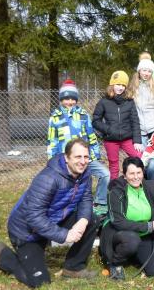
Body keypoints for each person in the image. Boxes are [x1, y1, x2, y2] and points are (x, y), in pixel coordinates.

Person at [0, 139, 99, 288]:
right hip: (27, 233)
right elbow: (33, 216)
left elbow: (86, 198)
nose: (83, 161)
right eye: (78, 157)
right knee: (40, 282)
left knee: (92, 219)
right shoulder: (48, 178)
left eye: (86, 157)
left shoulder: (85, 173)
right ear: (67, 158)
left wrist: (83, 220)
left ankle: (73, 267)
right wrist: (64, 235)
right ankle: (2, 255)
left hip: (54, 219)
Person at [99, 157, 154, 281]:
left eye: (139, 172)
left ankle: (131, 256)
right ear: (125, 175)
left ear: (143, 173)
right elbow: (118, 222)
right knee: (132, 240)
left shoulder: (148, 187)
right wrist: (149, 226)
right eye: (131, 173)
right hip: (118, 234)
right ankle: (115, 263)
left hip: (143, 234)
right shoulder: (116, 191)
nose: (136, 177)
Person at [46, 79, 111, 210]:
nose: (70, 102)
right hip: (65, 160)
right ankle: (71, 205)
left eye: (72, 99)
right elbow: (52, 141)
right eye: (66, 99)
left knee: (105, 174)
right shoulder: (55, 118)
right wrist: (52, 160)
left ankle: (100, 202)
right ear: (61, 99)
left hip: (85, 158)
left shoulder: (83, 115)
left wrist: (95, 154)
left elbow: (91, 136)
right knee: (70, 183)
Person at [92, 70, 142, 180]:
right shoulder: (103, 102)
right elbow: (95, 121)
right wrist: (108, 130)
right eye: (118, 84)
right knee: (114, 166)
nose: (120, 87)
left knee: (138, 158)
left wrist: (137, 140)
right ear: (112, 85)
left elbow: (135, 121)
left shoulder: (129, 101)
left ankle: (137, 183)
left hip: (127, 138)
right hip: (111, 140)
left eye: (123, 85)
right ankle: (113, 190)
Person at [127, 58, 154, 148]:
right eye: (144, 70)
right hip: (139, 131)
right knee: (142, 159)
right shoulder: (132, 88)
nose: (146, 73)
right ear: (139, 71)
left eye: (149, 71)